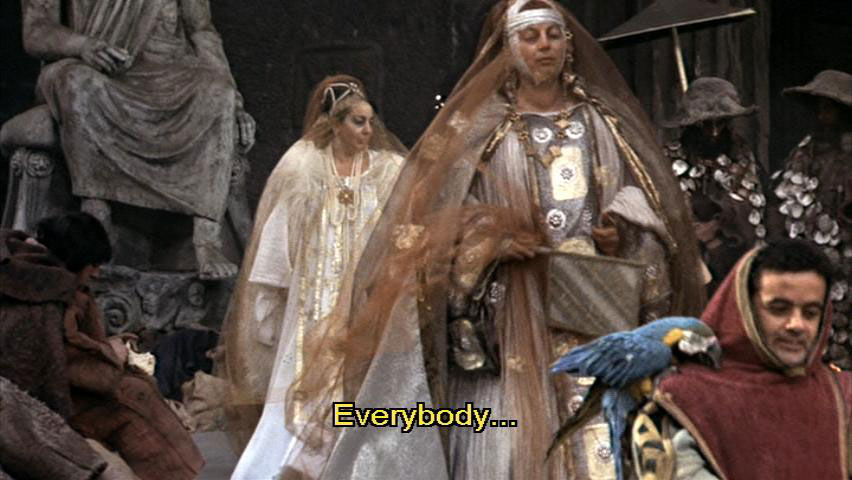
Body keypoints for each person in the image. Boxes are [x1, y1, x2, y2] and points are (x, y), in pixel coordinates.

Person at [283, 1, 705, 479]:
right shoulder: (483, 129)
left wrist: (624, 230)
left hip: (591, 296)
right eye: (531, 36)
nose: (544, 46)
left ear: (568, 45)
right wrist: (491, 244)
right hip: (512, 310)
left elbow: (635, 196)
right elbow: (441, 220)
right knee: (514, 438)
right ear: (508, 48)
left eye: (553, 35)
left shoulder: (599, 120)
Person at [220, 75, 406, 479]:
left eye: (370, 121)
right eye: (357, 121)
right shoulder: (304, 167)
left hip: (364, 297)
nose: (368, 130)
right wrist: (273, 290)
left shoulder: (387, 171)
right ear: (334, 124)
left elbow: (402, 226)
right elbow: (278, 234)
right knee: (305, 378)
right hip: (313, 297)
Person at [20, 0, 256, 279]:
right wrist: (83, 46)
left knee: (217, 92)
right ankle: (96, 215)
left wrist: (236, 102)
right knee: (78, 84)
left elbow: (201, 30)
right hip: (94, 66)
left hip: (170, 70)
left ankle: (207, 240)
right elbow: (36, 30)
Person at [631, 240, 848, 479]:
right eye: (778, 309)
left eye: (810, 313)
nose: (797, 325)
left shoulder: (841, 395)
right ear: (745, 310)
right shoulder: (684, 400)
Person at [32, 212, 204, 480]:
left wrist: (108, 347)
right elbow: (65, 357)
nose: (96, 272)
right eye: (93, 265)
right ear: (76, 259)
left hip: (75, 386)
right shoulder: (53, 292)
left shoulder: (60, 284)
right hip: (61, 398)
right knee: (133, 400)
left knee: (142, 390)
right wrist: (109, 353)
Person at [769, 69, 852, 368]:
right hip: (808, 269)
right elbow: (783, 204)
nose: (821, 115)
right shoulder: (803, 153)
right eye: (819, 107)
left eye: (829, 108)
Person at [663, 77, 766, 295]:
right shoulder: (667, 160)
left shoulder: (743, 157)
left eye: (721, 123)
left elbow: (755, 214)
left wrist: (718, 227)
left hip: (733, 267)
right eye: (706, 125)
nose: (715, 133)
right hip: (686, 273)